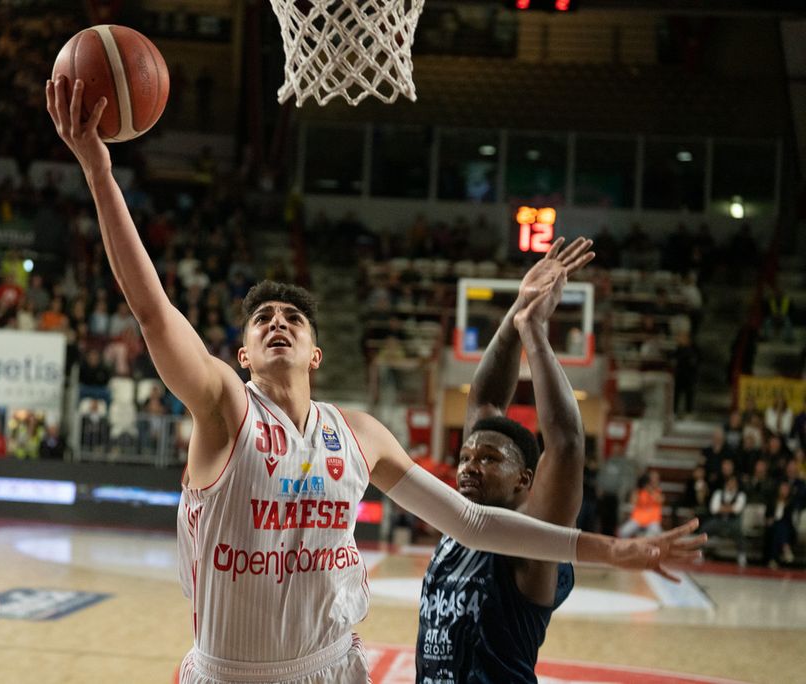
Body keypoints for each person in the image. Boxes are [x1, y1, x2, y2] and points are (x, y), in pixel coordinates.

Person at [47, 77, 704, 684]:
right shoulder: (223, 410)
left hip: (333, 669)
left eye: (293, 319)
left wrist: (613, 551)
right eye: (263, 320)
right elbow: (152, 310)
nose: (278, 323)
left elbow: (474, 522)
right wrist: (100, 172)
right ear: (242, 355)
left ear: (316, 354)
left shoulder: (359, 434)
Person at [416, 240, 594, 682]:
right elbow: (486, 400)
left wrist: (534, 331)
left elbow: (567, 443)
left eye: (489, 459)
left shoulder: (531, 544)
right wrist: (519, 307)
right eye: (466, 456)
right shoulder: (462, 524)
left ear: (524, 480)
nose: (469, 466)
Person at [618, 470, 665, 538]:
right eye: (651, 479)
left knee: (651, 535)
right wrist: (639, 486)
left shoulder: (658, 491)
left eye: (655, 479)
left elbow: (660, 500)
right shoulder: (639, 491)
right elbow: (633, 501)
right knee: (623, 532)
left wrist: (650, 490)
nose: (653, 480)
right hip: (637, 519)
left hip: (653, 521)